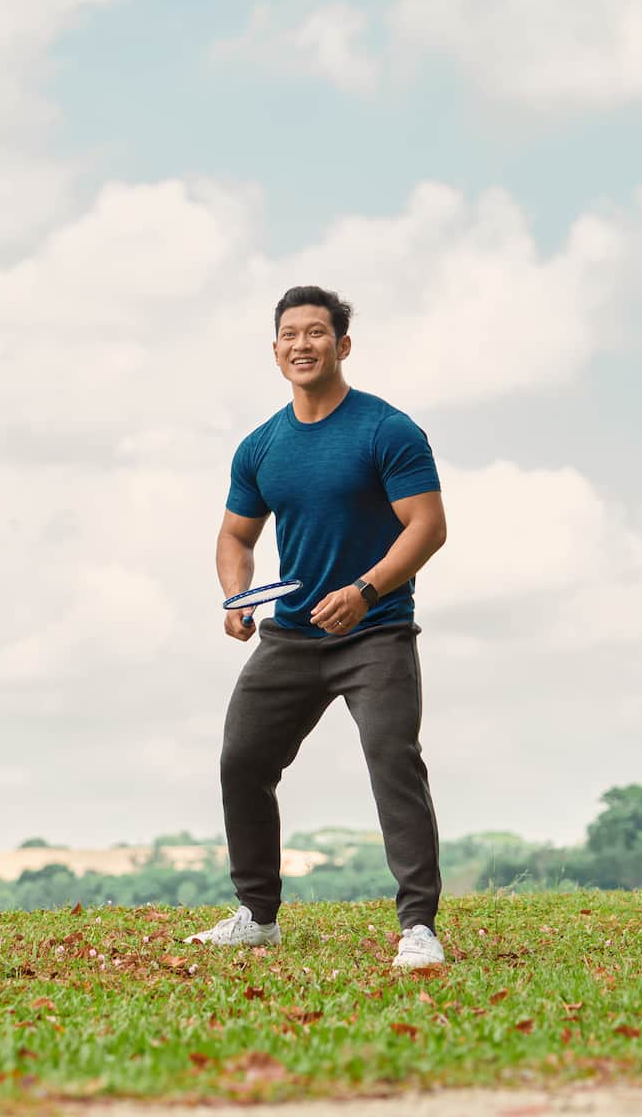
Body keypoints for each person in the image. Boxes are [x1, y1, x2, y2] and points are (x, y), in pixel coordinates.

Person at [192, 285, 449, 969]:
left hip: (377, 631)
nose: (301, 344)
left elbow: (428, 527)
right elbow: (234, 536)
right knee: (242, 761)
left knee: (393, 760)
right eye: (289, 335)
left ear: (343, 345)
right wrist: (236, 596)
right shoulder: (261, 446)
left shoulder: (386, 430)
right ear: (275, 350)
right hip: (291, 638)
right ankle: (257, 916)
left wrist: (366, 591)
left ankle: (418, 927)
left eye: (315, 333)